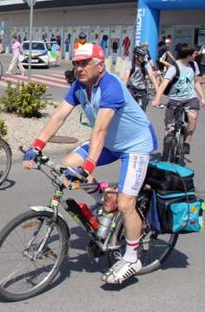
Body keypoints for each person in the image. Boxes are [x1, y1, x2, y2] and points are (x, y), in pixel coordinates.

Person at [23, 42, 157, 284]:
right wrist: (37, 145)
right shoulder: (79, 86)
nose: (79, 68)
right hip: (110, 143)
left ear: (100, 66)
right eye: (76, 64)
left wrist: (89, 166)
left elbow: (100, 129)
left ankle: (131, 258)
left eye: (85, 63)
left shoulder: (111, 86)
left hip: (134, 145)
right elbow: (59, 116)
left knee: (126, 203)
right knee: (67, 166)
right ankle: (104, 199)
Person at [152, 44, 205, 155]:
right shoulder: (174, 67)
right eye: (194, 53)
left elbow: (196, 82)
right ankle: (169, 136)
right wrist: (157, 99)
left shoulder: (193, 65)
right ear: (188, 55)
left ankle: (186, 143)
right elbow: (163, 84)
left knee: (192, 116)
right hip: (174, 99)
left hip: (190, 98)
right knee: (169, 125)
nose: (196, 55)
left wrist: (202, 98)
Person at [123, 46, 159, 111]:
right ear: (136, 56)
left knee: (143, 110)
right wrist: (123, 90)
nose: (143, 58)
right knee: (130, 108)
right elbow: (126, 78)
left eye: (144, 56)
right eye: (142, 56)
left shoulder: (146, 64)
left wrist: (157, 88)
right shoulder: (130, 64)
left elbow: (151, 76)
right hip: (132, 89)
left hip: (142, 90)